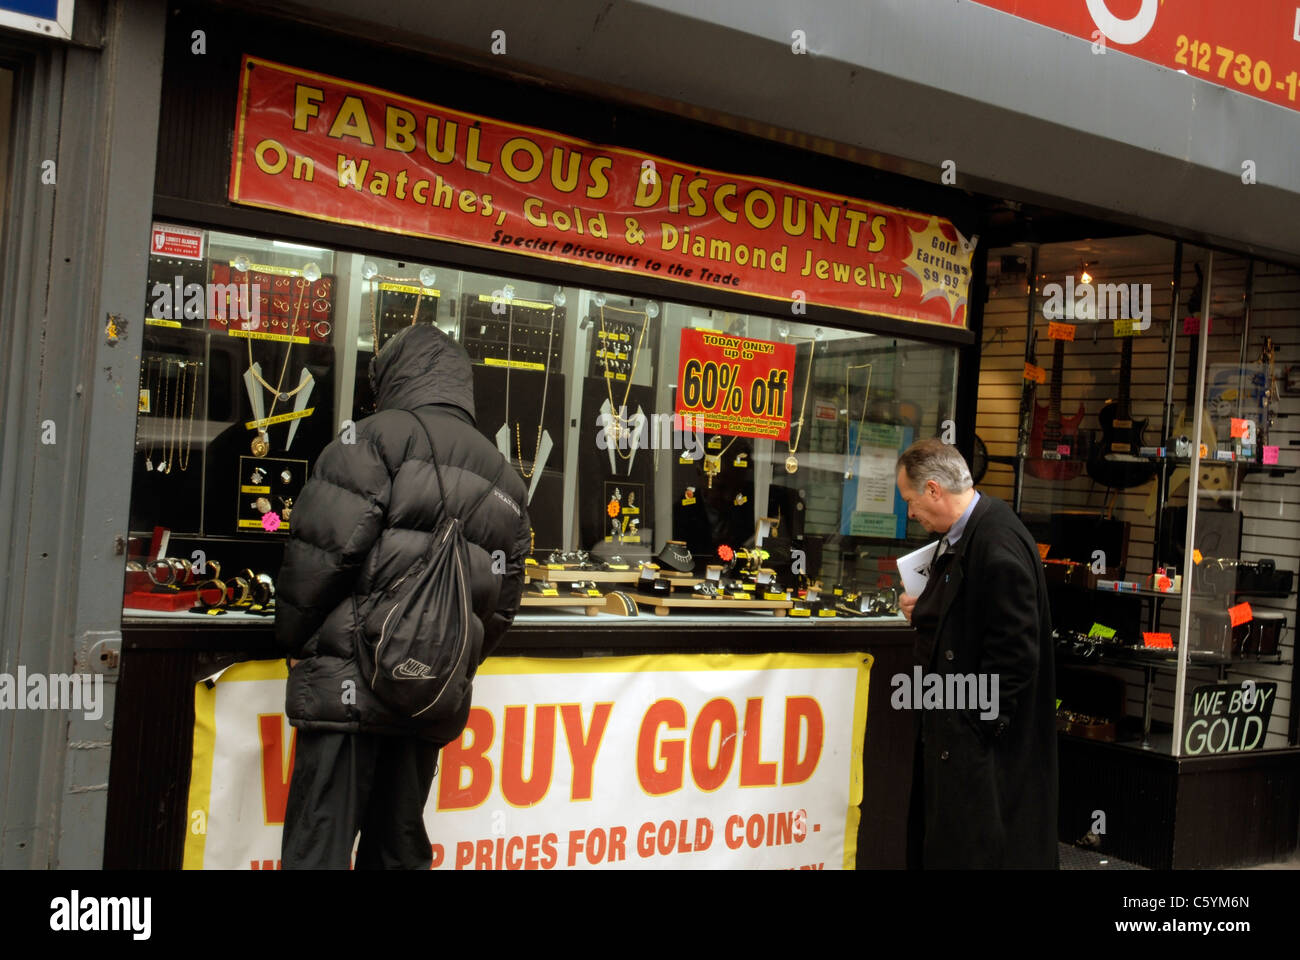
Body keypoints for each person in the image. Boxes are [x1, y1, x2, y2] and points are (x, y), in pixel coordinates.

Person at [275, 323, 530, 869]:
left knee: (317, 847)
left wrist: (293, 639)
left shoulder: (369, 438)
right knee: (398, 850)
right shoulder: (506, 478)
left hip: (346, 686)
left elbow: (320, 557)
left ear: (392, 376)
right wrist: (441, 657)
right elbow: (502, 607)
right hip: (428, 693)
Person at [895, 438, 1057, 869]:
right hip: (962, 730)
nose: (911, 513)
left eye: (911, 501)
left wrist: (978, 727)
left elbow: (1016, 652)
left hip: (981, 747)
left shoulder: (995, 542)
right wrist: (926, 607)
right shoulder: (976, 530)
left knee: (977, 851)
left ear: (933, 490)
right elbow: (970, 613)